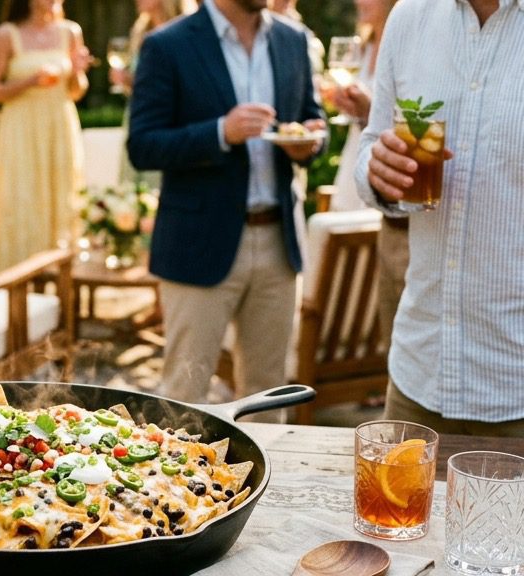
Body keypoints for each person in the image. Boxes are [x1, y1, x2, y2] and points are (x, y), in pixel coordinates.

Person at [128, 0, 325, 419]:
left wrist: (310, 141)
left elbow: (312, 117)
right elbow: (142, 145)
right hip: (198, 243)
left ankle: (267, 483)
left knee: (270, 394)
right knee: (184, 395)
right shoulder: (168, 44)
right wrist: (220, 132)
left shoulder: (293, 40)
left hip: (278, 241)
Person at [356, 0, 524, 436]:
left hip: (515, 388)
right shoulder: (410, 16)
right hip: (417, 376)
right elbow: (374, 141)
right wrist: (376, 174)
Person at [0, 0, 91, 273]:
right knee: (21, 197)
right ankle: (17, 277)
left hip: (59, 126)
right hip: (20, 129)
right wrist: (30, 82)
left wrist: (78, 70)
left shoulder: (70, 31)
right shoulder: (7, 34)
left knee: (62, 194)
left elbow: (76, 92)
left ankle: (61, 278)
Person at [326, 0, 404, 357]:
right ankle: (339, 349)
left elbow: (403, 117)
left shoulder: (404, 37)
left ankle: (369, 359)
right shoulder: (364, 45)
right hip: (355, 159)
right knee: (342, 264)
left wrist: (369, 109)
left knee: (376, 262)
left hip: (387, 165)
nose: (359, 2)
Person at [114, 0, 192, 187]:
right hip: (137, 115)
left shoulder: (186, 30)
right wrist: (125, 80)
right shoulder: (139, 30)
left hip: (168, 122)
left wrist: (135, 81)